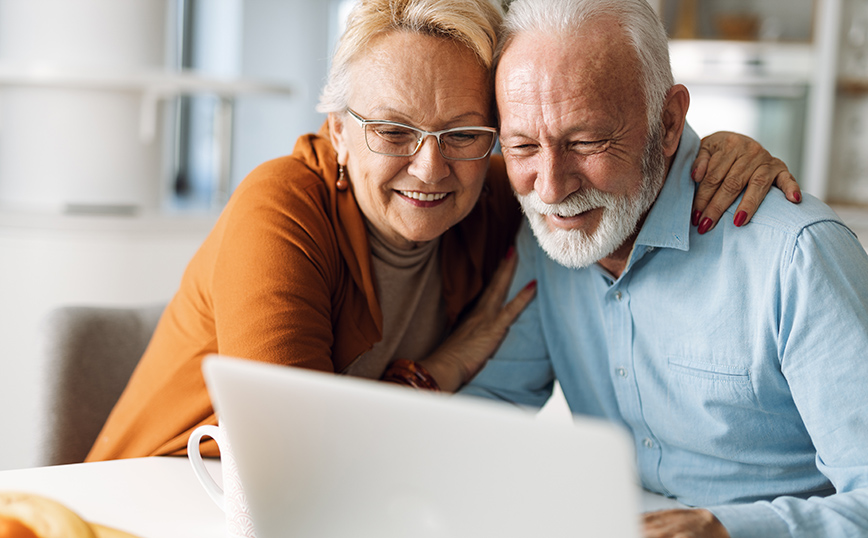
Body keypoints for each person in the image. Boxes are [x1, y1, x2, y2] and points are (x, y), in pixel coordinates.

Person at [86, 0, 797, 462]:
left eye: (463, 132)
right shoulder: (282, 207)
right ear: (337, 131)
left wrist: (715, 149)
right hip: (162, 504)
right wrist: (446, 367)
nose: (431, 168)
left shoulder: (498, 199)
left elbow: (592, 166)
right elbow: (296, 461)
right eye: (393, 130)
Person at [460, 0, 868, 537]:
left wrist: (723, 529)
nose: (552, 188)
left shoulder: (796, 256)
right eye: (522, 147)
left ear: (669, 122)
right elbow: (483, 418)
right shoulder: (554, 239)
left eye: (586, 142)